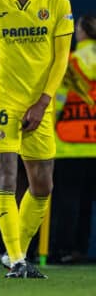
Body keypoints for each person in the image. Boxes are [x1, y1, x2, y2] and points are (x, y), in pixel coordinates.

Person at [0, 0, 74, 278]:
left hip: (38, 103)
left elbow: (61, 58)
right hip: (4, 100)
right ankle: (17, 259)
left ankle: (17, 254)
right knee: (5, 179)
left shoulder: (57, 1)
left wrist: (43, 101)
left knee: (43, 186)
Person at [50, 14, 96, 263]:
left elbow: (58, 101)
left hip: (70, 142)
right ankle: (80, 247)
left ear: (81, 33)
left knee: (68, 200)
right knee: (87, 202)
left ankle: (64, 250)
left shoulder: (71, 63)